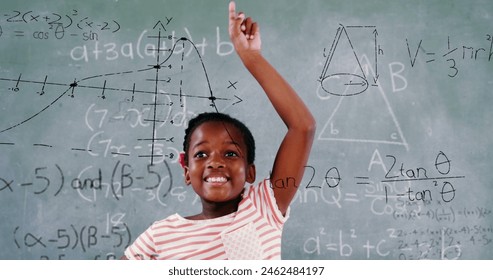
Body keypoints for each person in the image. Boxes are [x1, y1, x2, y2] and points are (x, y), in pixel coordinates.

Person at [122, 1, 315, 260]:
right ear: (186, 169)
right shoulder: (160, 236)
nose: (215, 163)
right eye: (201, 155)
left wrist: (252, 58)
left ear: (250, 172)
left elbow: (303, 127)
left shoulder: (264, 207)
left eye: (231, 154)